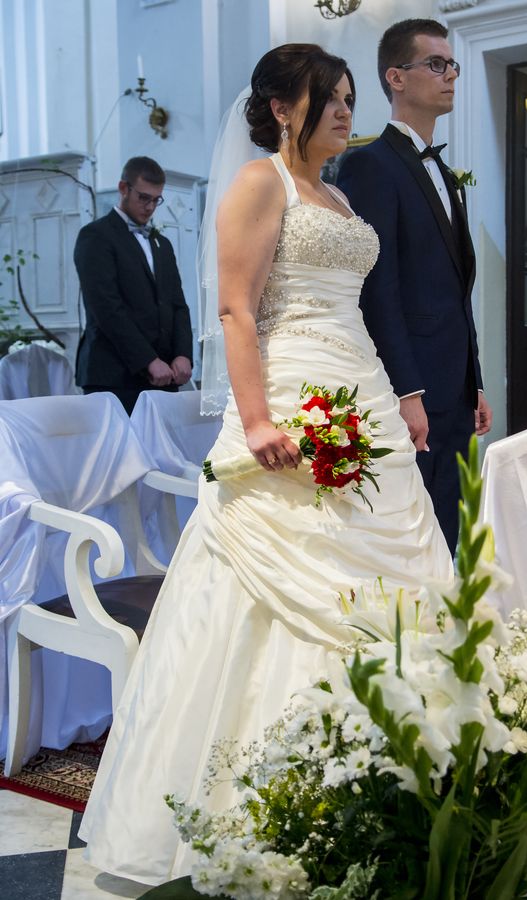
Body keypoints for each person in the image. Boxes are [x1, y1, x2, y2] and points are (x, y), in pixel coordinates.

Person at [79, 45, 453, 886]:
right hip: (287, 396)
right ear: (283, 107)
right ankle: (265, 815)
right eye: (330, 97)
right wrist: (255, 420)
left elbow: (362, 308)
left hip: (360, 387)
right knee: (275, 590)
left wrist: (397, 397)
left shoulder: (340, 195)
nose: (346, 111)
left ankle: (389, 793)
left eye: (351, 97)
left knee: (392, 577)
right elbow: (236, 311)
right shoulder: (261, 183)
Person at [337, 18, 492, 554]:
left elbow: (455, 290)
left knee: (451, 522)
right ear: (396, 77)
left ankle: (447, 609)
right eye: (436, 64)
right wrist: (406, 391)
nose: (450, 75)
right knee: (413, 533)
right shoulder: (369, 166)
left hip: (454, 384)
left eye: (453, 65)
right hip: (414, 388)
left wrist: (474, 381)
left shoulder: (444, 174)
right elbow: (377, 289)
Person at [74, 156, 193, 415]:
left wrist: (183, 354)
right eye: (143, 198)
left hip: (164, 375)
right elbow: (106, 308)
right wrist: (147, 360)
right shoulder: (96, 236)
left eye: (156, 200)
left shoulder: (162, 244)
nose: (150, 207)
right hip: (114, 375)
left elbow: (177, 304)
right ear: (123, 188)